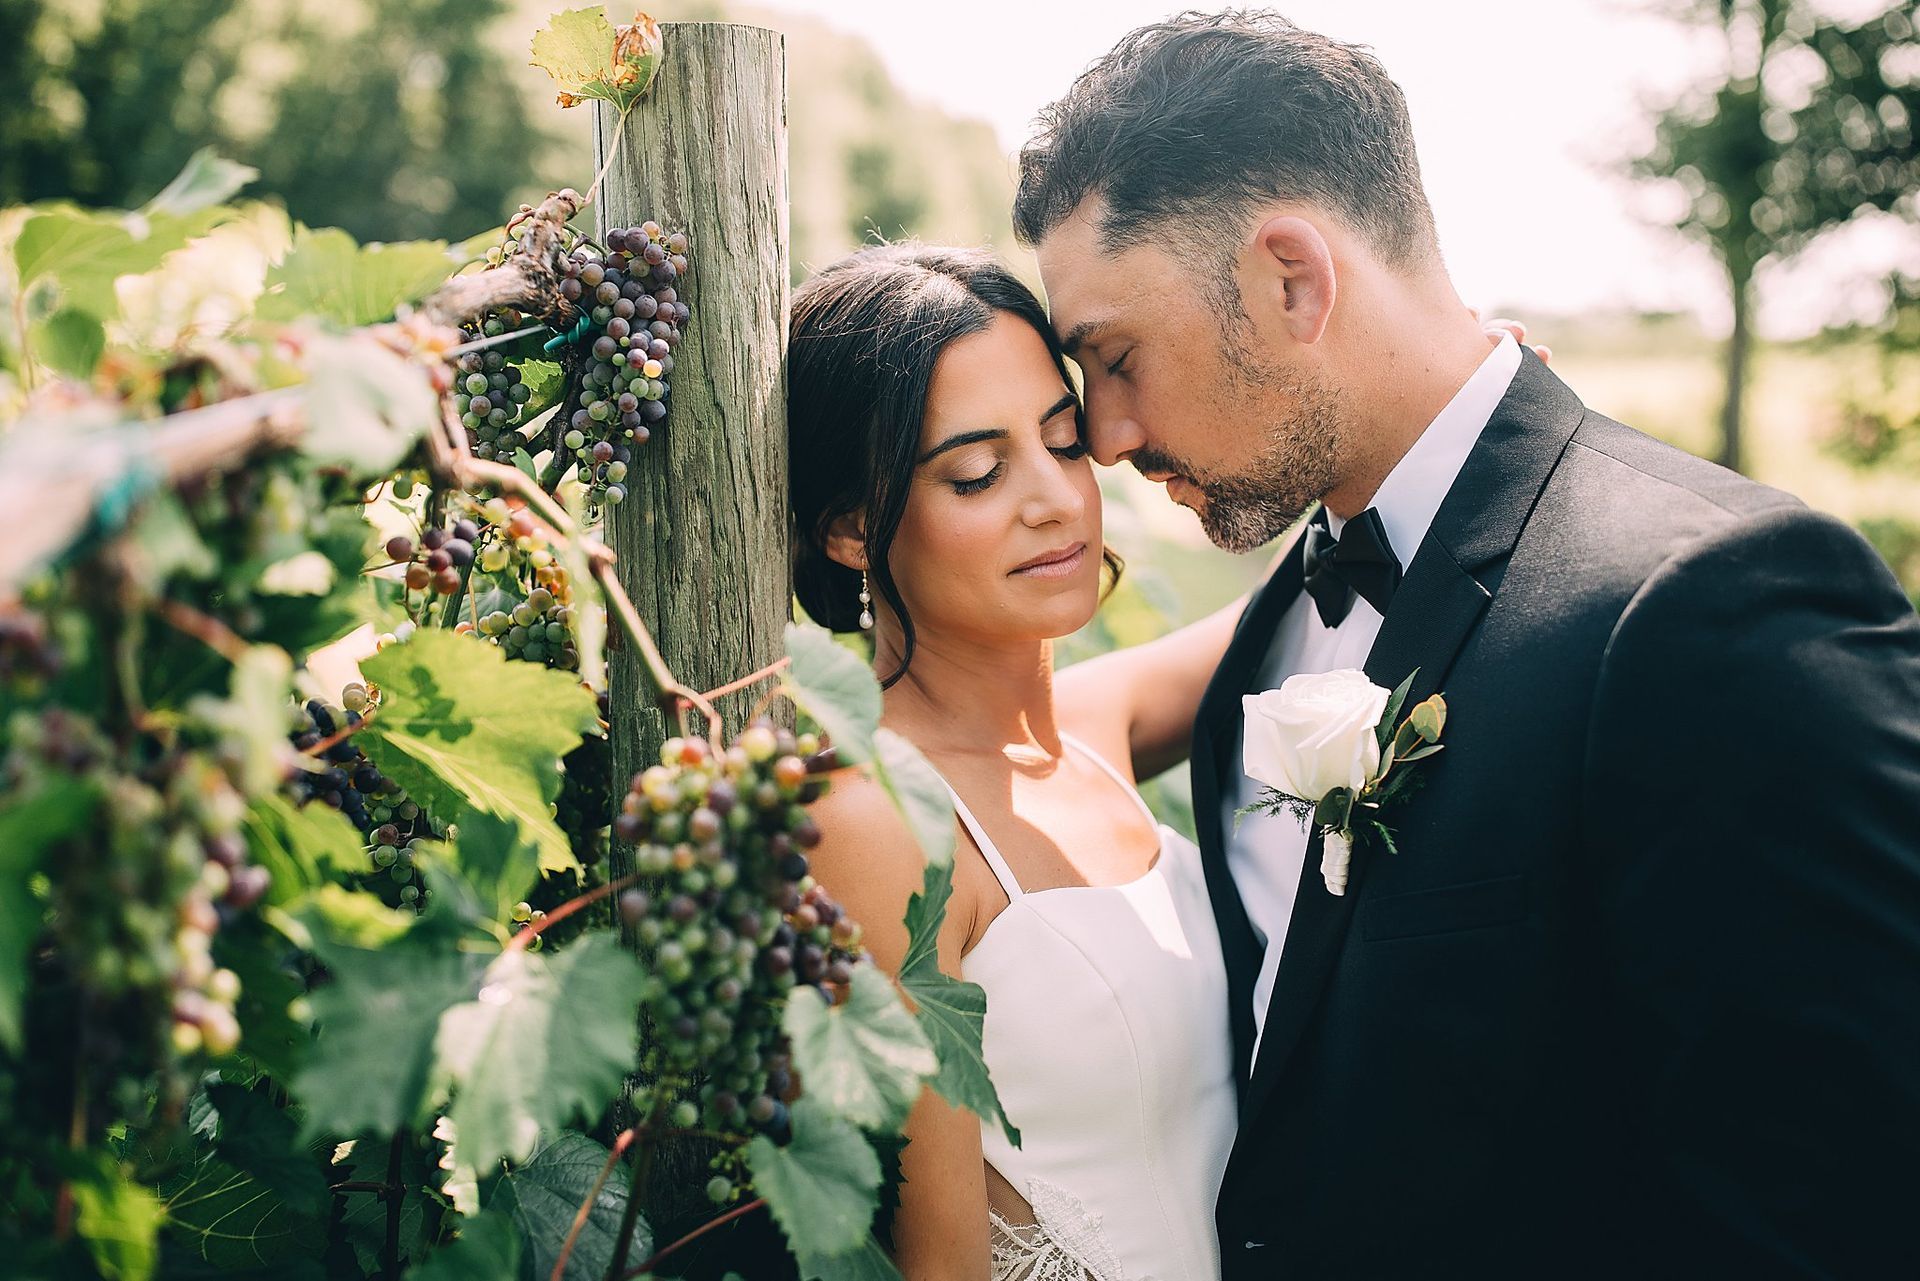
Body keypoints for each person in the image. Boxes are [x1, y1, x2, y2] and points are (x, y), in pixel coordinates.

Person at [1010, 11, 1920, 1279]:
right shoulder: (1277, 626)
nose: (1103, 435)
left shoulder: (1713, 606)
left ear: (1291, 279)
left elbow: (1838, 1209)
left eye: (1115, 357)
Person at [789, 243, 1535, 1280]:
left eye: (1062, 442)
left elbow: (1326, 578)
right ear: (851, 527)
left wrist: (1453, 418)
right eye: (976, 472)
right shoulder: (875, 819)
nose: (1055, 500)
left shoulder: (1090, 726)